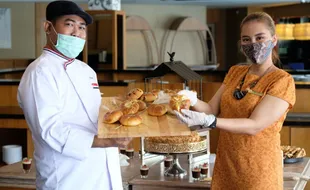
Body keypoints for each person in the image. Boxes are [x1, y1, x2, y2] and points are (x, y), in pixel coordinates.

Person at [17, 1, 131, 189]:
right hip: (67, 177)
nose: (77, 33)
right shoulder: (40, 72)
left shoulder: (86, 70)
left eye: (82, 27)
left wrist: (116, 131)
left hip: (101, 173)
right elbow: (49, 129)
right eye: (69, 24)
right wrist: (105, 141)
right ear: (48, 27)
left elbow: (91, 116)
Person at [175, 12, 295, 189]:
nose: (253, 44)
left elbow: (255, 125)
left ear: (274, 39)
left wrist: (210, 121)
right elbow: (210, 110)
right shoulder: (235, 72)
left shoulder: (282, 81)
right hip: (226, 165)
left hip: (258, 170)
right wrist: (191, 98)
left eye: (259, 37)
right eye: (246, 39)